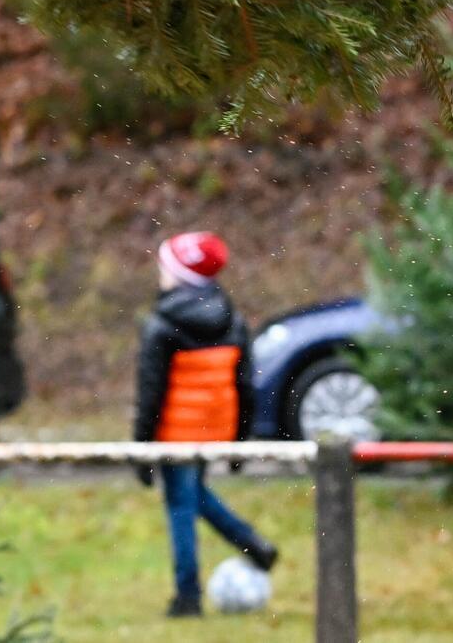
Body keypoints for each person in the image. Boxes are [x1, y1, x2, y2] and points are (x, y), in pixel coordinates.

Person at [131, 230, 280, 618]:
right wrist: (238, 441)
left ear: (180, 276)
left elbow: (150, 396)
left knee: (181, 505)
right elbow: (245, 387)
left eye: (165, 267)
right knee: (193, 494)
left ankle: (188, 596)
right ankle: (253, 545)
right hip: (215, 429)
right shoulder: (233, 320)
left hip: (176, 434)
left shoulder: (160, 325)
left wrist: (141, 449)